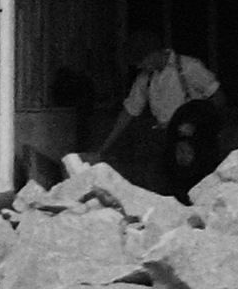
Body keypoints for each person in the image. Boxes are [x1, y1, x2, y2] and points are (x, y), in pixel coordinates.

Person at [95, 37, 225, 195]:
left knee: (197, 187)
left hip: (195, 139)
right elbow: (129, 111)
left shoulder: (188, 67)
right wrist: (105, 147)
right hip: (166, 137)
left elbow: (218, 98)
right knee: (165, 187)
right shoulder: (146, 78)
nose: (140, 66)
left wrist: (197, 123)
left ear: (153, 54)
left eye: (141, 61)